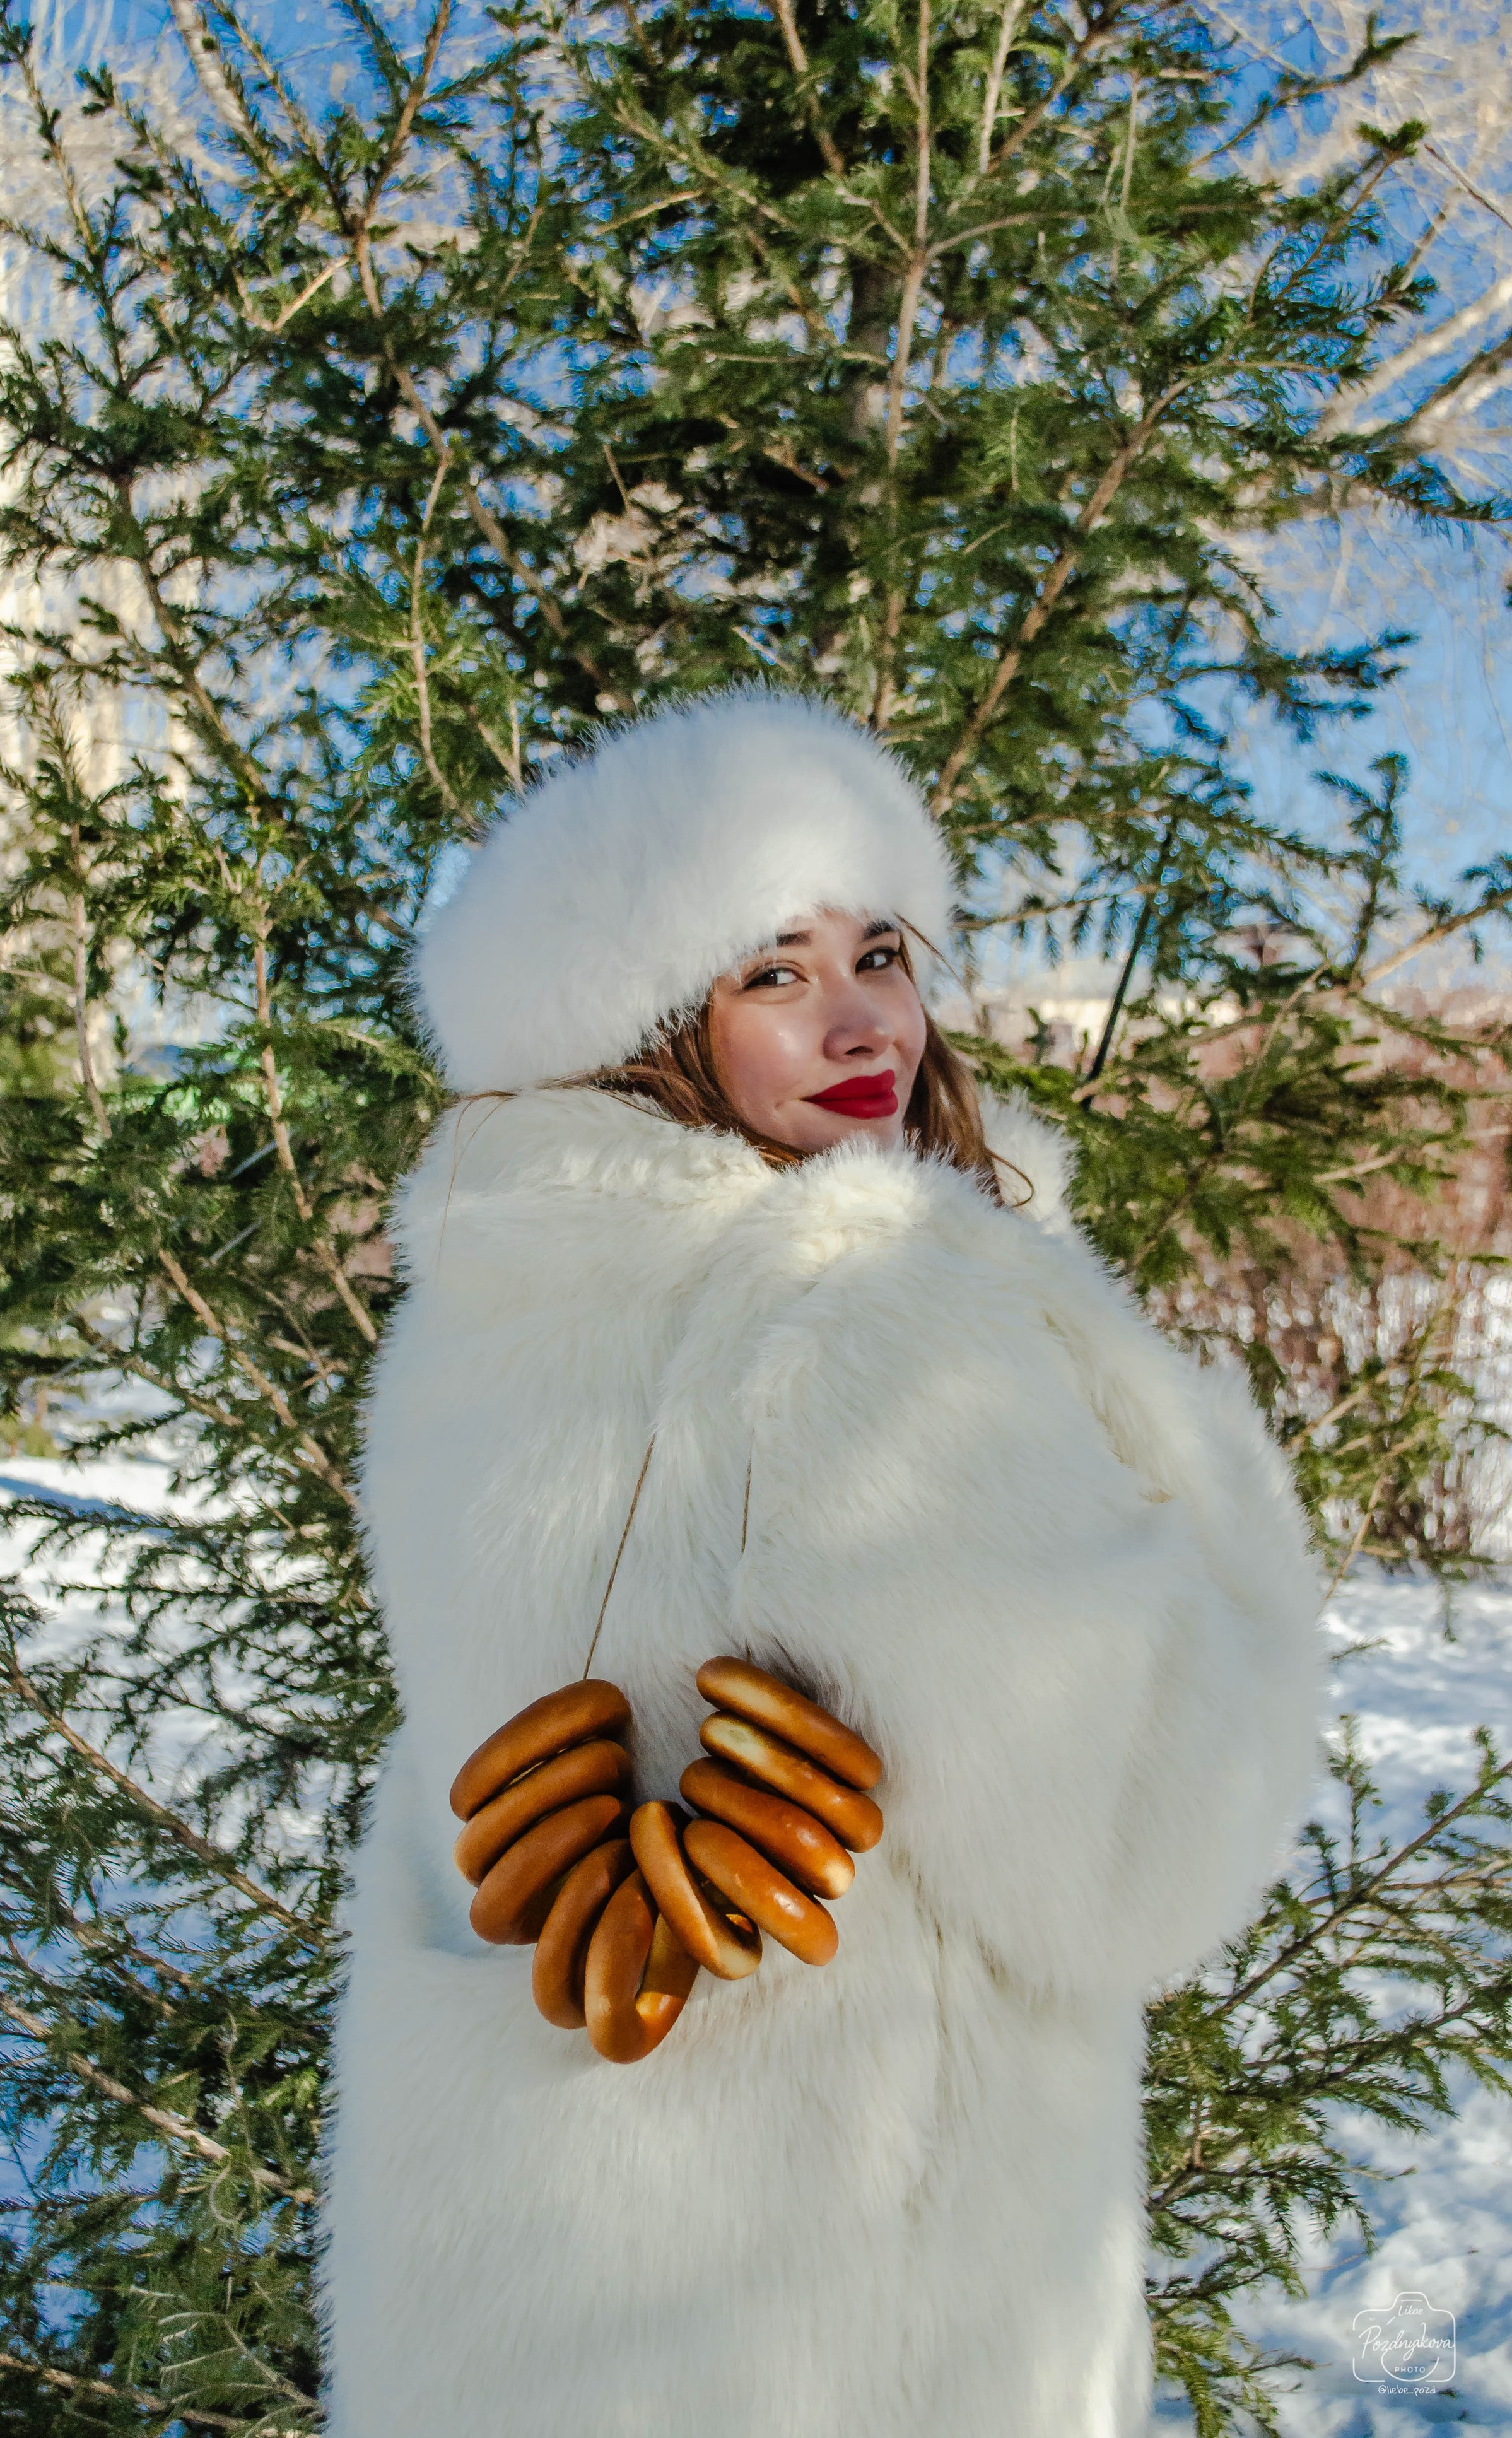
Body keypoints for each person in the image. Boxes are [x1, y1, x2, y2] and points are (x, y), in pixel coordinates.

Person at [321, 689, 1325, 2437]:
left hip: (517, 2275)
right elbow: (1143, 1858)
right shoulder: (871, 1303)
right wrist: (1216, 1481)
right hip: (848, 2313)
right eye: (772, 970)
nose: (861, 1013)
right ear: (651, 1013)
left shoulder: (474, 1316)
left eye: (881, 949)